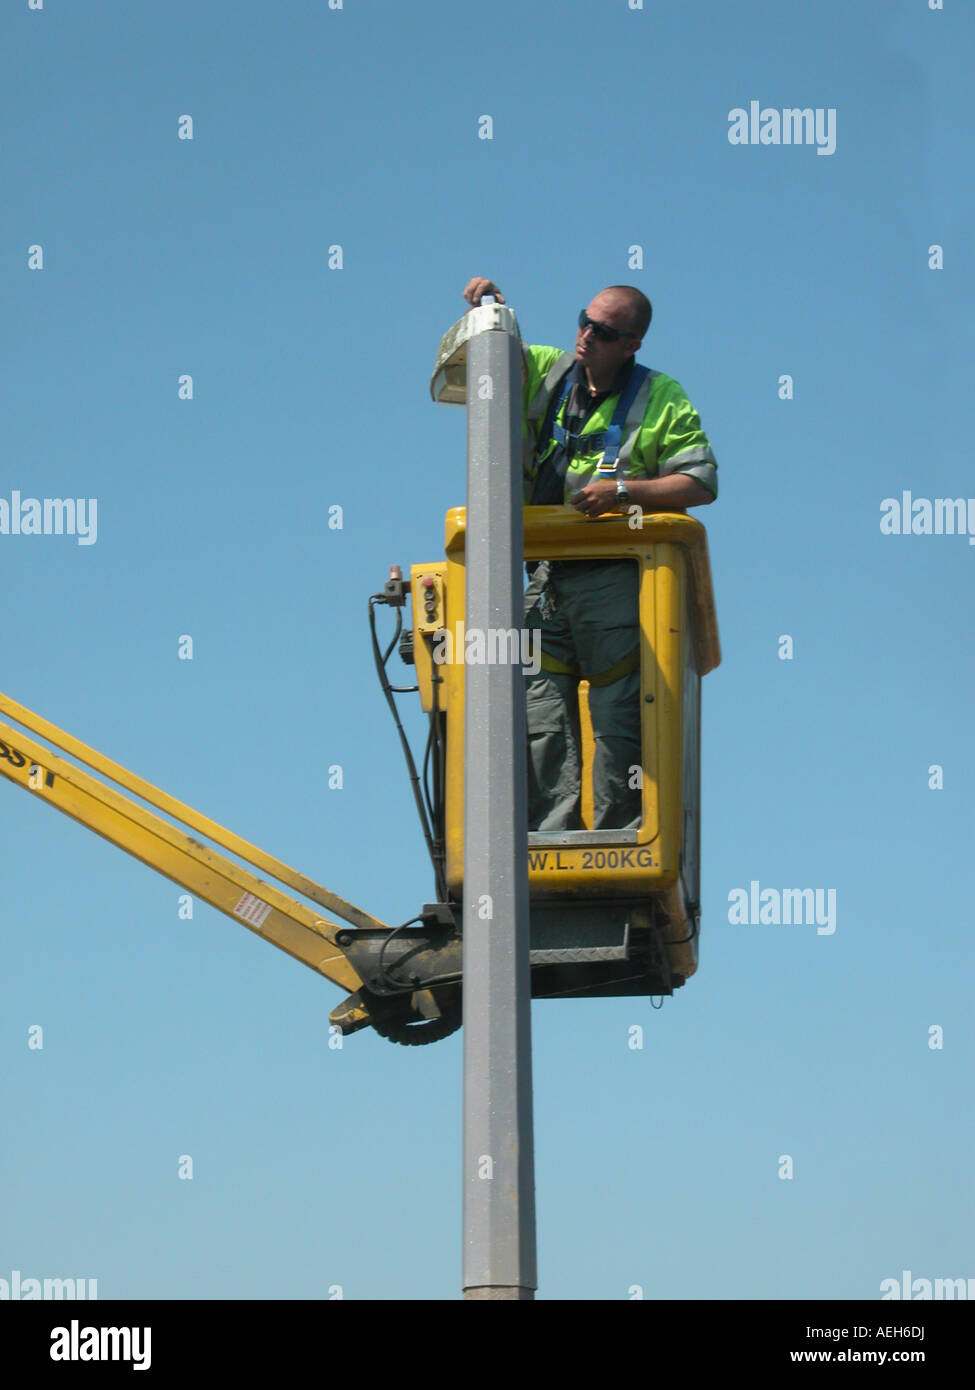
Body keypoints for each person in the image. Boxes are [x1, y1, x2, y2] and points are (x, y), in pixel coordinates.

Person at [461, 278, 718, 832]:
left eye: (603, 332)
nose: (586, 336)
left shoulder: (660, 396)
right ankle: (547, 837)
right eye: (584, 321)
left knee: (618, 715)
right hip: (546, 577)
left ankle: (617, 837)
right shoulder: (548, 371)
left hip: (615, 578)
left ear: (631, 345)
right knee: (539, 712)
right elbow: (478, 368)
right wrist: (490, 313)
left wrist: (622, 492)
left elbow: (699, 482)